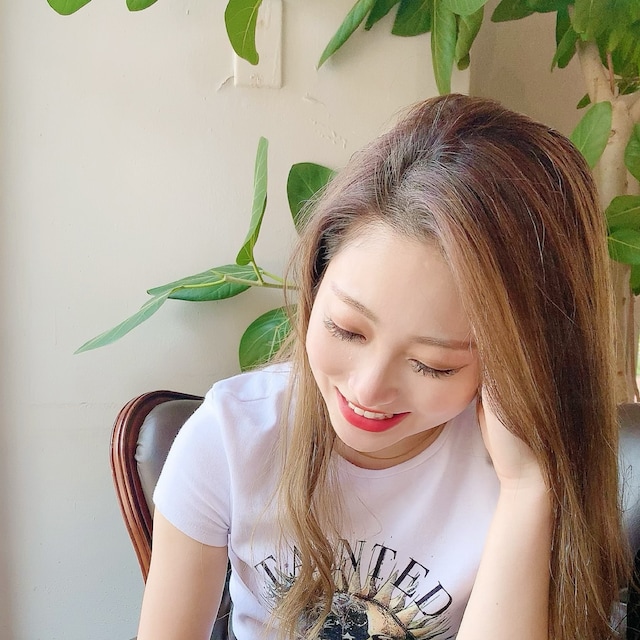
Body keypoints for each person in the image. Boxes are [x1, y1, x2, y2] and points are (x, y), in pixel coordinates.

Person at [136, 94, 629, 640]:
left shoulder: (514, 464)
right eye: (347, 329)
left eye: (433, 365)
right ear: (317, 279)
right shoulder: (231, 438)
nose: (368, 390)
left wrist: (527, 490)